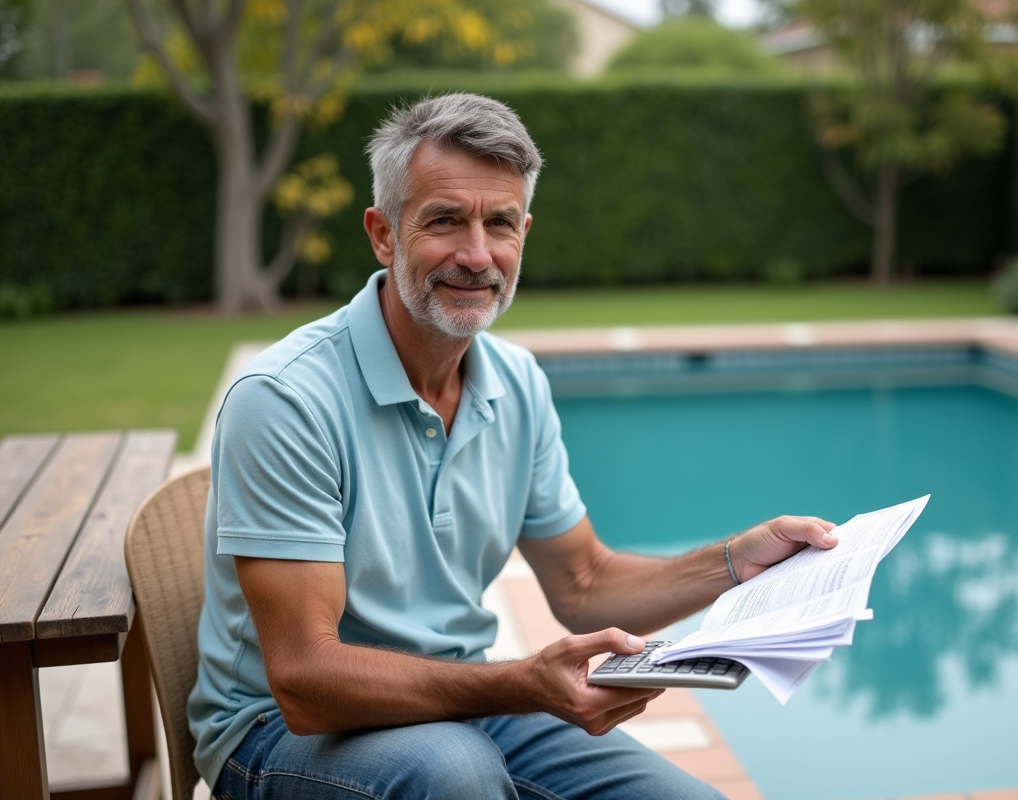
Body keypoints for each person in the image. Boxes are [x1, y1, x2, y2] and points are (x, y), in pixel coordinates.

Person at [188, 92, 839, 800]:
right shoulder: (286, 398)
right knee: (455, 777)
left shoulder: (516, 383)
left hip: (466, 704)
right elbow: (305, 681)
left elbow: (583, 583)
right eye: (444, 221)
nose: (476, 255)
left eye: (499, 224)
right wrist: (521, 682)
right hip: (284, 737)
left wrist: (734, 563)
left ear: (523, 232)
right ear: (383, 233)